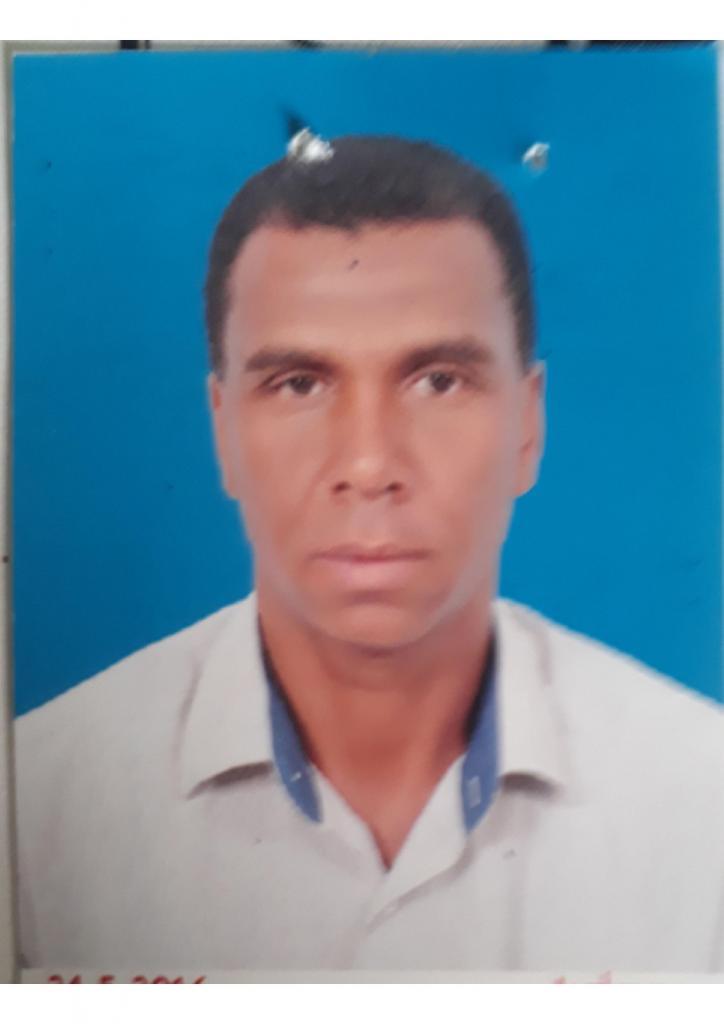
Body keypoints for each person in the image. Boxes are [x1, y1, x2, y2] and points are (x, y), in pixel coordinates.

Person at [14, 131, 724, 974]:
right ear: (223, 431)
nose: (368, 464)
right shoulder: (33, 811)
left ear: (529, 425)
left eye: (438, 380)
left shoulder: (701, 799)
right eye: (299, 384)